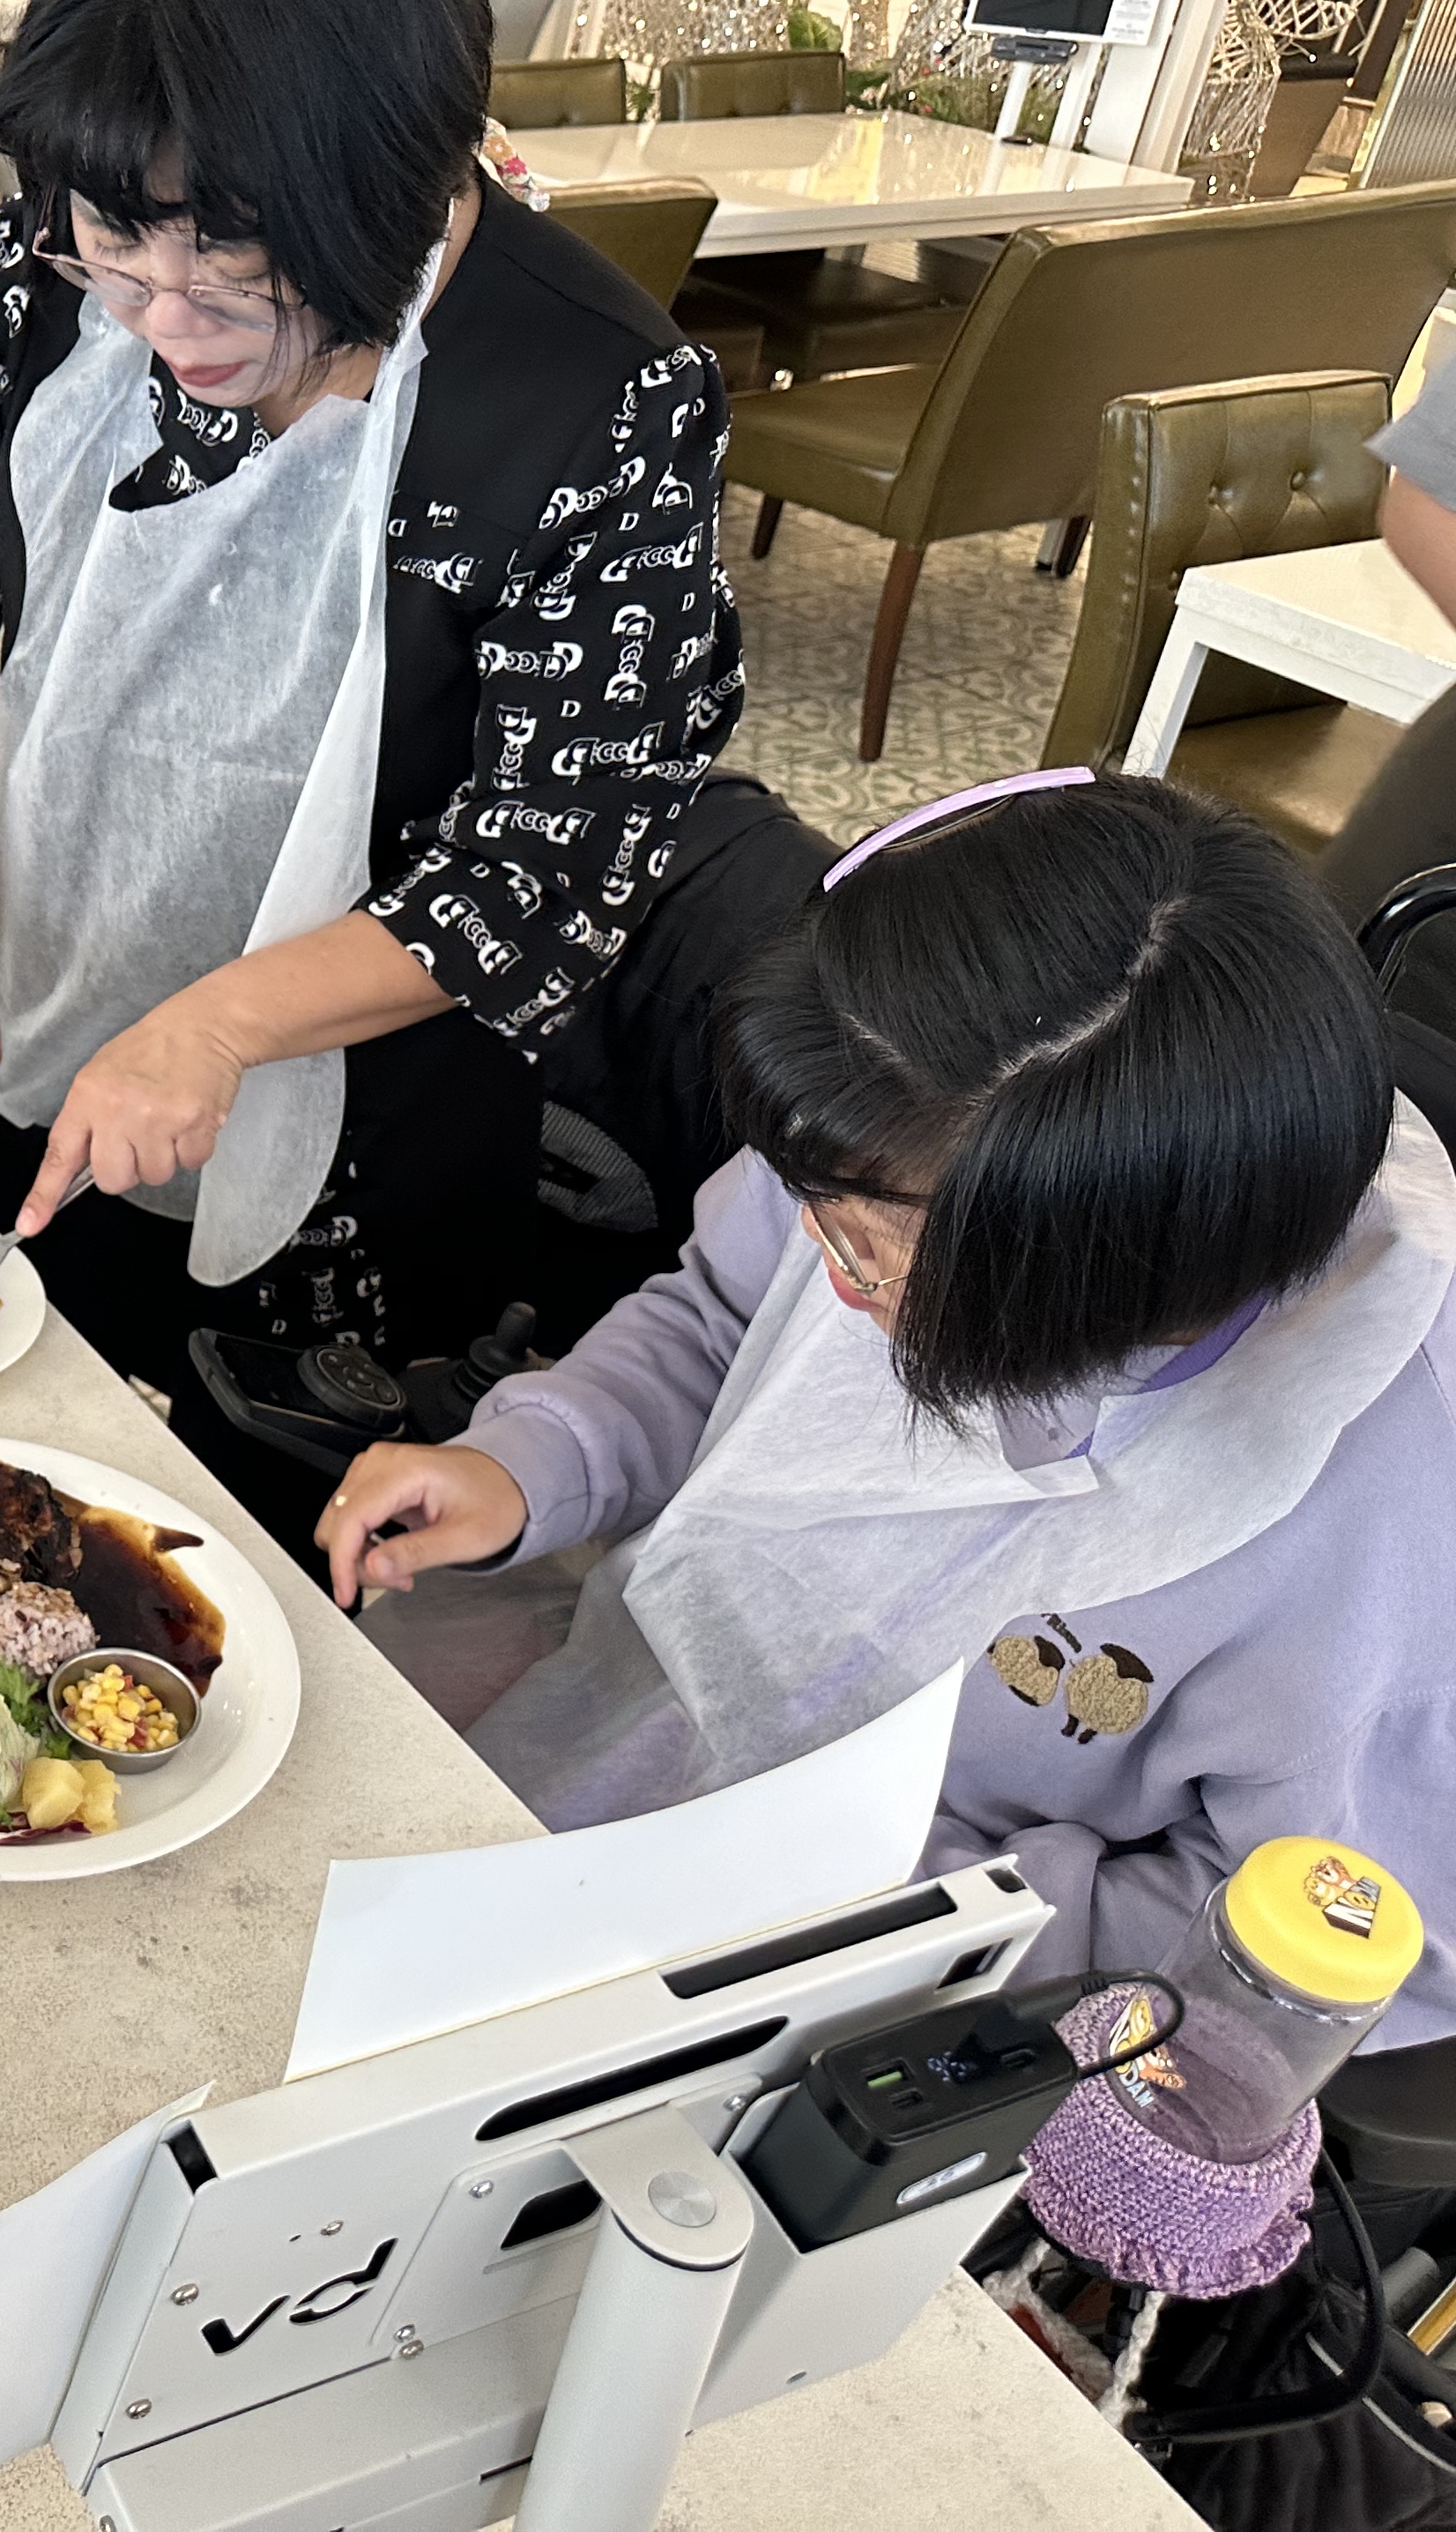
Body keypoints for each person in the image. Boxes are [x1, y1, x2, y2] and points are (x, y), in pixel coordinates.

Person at [0, 0, 745, 1525]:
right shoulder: (49, 270)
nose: (163, 314)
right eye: (115, 244)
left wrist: (220, 1026)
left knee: (243, 1567)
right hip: (42, 1032)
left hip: (361, 1157)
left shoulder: (597, 396)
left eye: (232, 257)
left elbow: (548, 867)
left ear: (399, 172)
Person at [323, 775, 1456, 2041]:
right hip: (630, 1705)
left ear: (1080, 1282)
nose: (825, 1264)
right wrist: (538, 1459)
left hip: (899, 1971)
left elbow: (1353, 1953)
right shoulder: (895, 1117)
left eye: (867, 1252)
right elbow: (720, 1316)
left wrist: (911, 1900)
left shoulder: (1388, 1523)